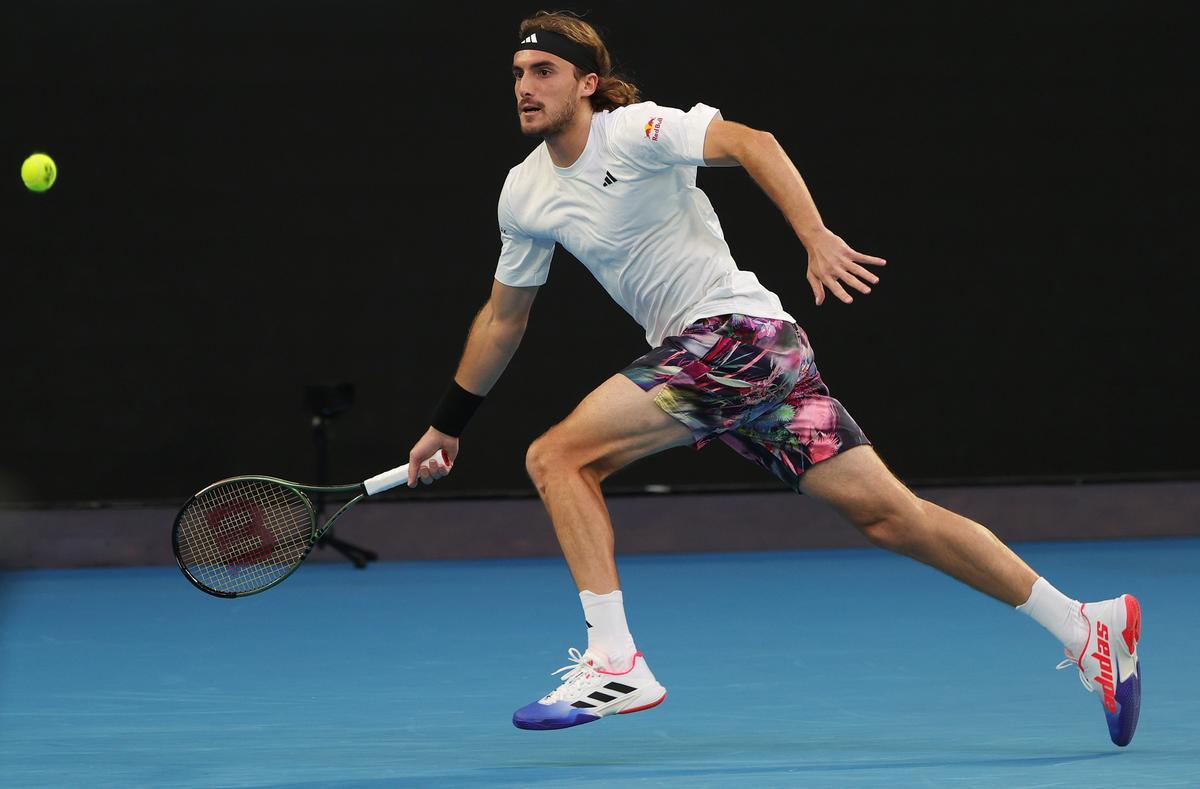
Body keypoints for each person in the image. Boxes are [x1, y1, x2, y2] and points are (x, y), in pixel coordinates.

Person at [404, 10, 1141, 744]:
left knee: (557, 455)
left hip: (738, 337)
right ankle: (1085, 625)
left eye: (544, 72)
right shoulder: (524, 192)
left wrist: (815, 237)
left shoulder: (635, 131)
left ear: (587, 83)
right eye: (518, 75)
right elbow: (503, 320)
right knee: (892, 516)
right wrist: (448, 424)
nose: (525, 88)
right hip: (748, 363)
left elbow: (754, 143)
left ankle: (614, 660)